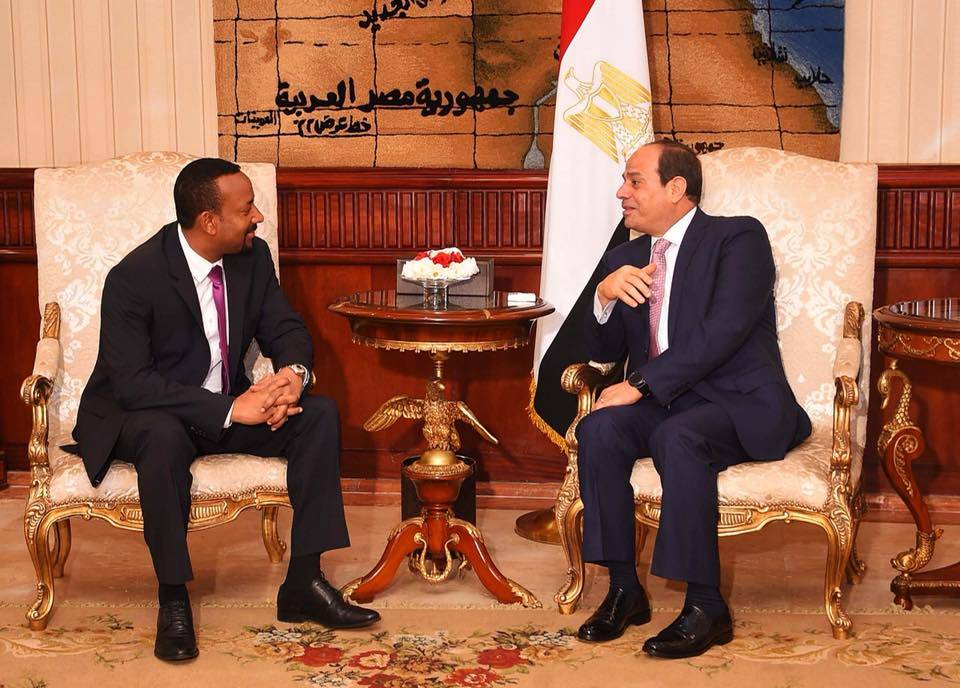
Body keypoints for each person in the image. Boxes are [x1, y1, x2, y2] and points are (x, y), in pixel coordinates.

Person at [71, 158, 380, 662]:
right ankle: (173, 597)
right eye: (246, 209)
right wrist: (232, 408)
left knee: (318, 416)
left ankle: (304, 582)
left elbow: (285, 328)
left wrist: (291, 377)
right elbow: (132, 383)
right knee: (162, 436)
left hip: (224, 408)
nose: (258, 217)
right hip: (144, 412)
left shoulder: (251, 258)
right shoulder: (134, 277)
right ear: (209, 221)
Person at [574, 140, 811, 658]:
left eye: (635, 180)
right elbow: (602, 352)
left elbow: (722, 332)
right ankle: (624, 589)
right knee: (598, 428)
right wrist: (603, 297)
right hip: (667, 405)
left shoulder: (737, 238)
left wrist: (639, 385)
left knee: (678, 436)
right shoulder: (625, 258)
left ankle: (706, 605)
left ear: (676, 187)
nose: (621, 192)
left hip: (739, 403)